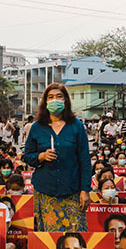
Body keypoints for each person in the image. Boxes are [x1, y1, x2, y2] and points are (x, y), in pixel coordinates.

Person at [23, 83, 92, 232]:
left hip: (72, 190)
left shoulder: (76, 126)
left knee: (76, 237)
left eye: (59, 96)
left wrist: (85, 190)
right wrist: (41, 156)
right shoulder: (37, 127)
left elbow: (85, 160)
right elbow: (27, 156)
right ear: (45, 102)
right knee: (50, 239)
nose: (55, 100)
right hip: (46, 191)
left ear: (66, 100)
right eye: (51, 97)